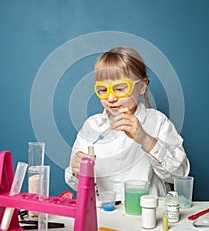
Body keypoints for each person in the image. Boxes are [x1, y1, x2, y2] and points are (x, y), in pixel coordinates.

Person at [65, 46, 189, 201]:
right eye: (103, 90)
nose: (110, 98)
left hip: (149, 215)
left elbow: (180, 174)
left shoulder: (158, 122)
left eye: (120, 88)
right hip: (105, 215)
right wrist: (77, 171)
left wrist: (146, 139)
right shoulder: (92, 126)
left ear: (142, 86)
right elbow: (77, 183)